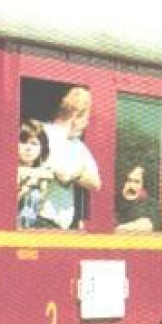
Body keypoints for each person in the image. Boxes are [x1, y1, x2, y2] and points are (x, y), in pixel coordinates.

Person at [39, 86, 101, 229]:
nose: (87, 123)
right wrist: (79, 170)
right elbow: (60, 172)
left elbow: (96, 183)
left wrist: (75, 172)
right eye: (86, 118)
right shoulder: (43, 133)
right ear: (75, 115)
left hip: (63, 226)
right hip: (41, 220)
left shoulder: (78, 145)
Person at [16, 120, 52, 228]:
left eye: (34, 144)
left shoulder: (45, 172)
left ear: (42, 148)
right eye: (23, 142)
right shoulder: (7, 171)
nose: (28, 148)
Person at [115, 164, 156, 233]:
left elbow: (146, 225)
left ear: (143, 186)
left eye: (136, 182)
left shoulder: (151, 206)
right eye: (128, 180)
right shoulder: (113, 202)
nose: (131, 186)